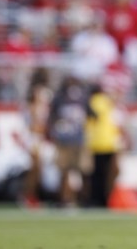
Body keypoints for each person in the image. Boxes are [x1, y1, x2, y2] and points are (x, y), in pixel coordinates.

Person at [47, 75, 89, 208]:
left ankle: (76, 199)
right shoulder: (62, 98)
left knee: (78, 172)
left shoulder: (81, 98)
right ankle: (66, 199)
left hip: (75, 139)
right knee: (65, 171)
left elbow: (91, 114)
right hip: (66, 139)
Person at [21, 67, 53, 209]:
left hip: (38, 137)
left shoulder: (38, 99)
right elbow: (33, 122)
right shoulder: (33, 103)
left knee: (38, 169)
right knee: (34, 168)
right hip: (34, 137)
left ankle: (33, 196)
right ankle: (28, 196)